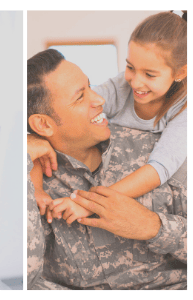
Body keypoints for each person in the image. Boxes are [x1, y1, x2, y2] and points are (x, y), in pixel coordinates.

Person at [26, 49, 186, 289]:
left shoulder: (155, 151)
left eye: (91, 86)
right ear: (43, 124)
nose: (100, 100)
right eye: (80, 97)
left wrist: (153, 226)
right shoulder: (31, 187)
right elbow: (27, 279)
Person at [31, 11, 187, 224]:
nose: (135, 82)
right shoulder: (122, 85)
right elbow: (71, 114)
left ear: (180, 73)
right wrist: (32, 140)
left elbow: (159, 168)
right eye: (130, 67)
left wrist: (88, 203)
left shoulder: (185, 111)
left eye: (149, 75)